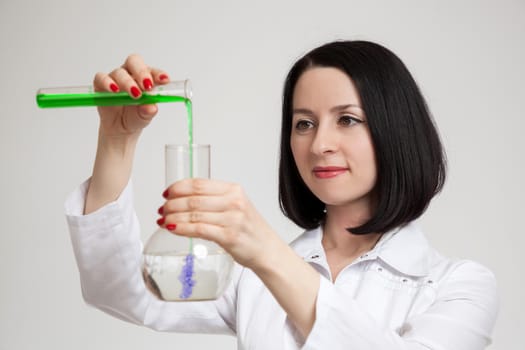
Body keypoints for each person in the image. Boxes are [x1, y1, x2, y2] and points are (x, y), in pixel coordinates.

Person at [65, 40, 499, 349]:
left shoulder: (458, 287)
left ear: (396, 129)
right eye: (304, 123)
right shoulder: (249, 279)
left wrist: (267, 252)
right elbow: (119, 291)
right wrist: (116, 140)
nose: (319, 144)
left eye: (347, 119)